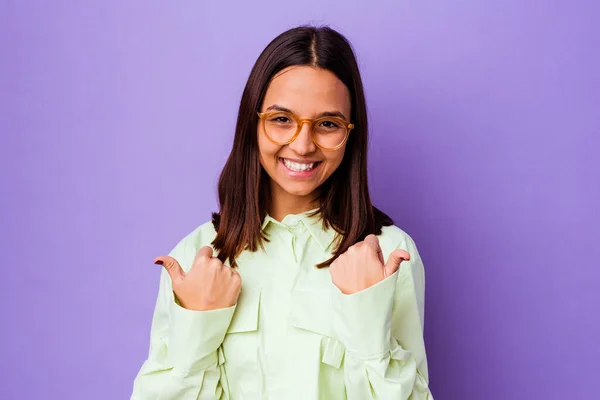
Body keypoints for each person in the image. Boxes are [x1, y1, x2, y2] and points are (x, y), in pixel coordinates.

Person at [131, 25, 434, 400]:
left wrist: (367, 317)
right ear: (252, 122)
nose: (303, 145)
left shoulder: (390, 256)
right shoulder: (196, 260)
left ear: (350, 133)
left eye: (327, 124)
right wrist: (197, 328)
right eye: (281, 119)